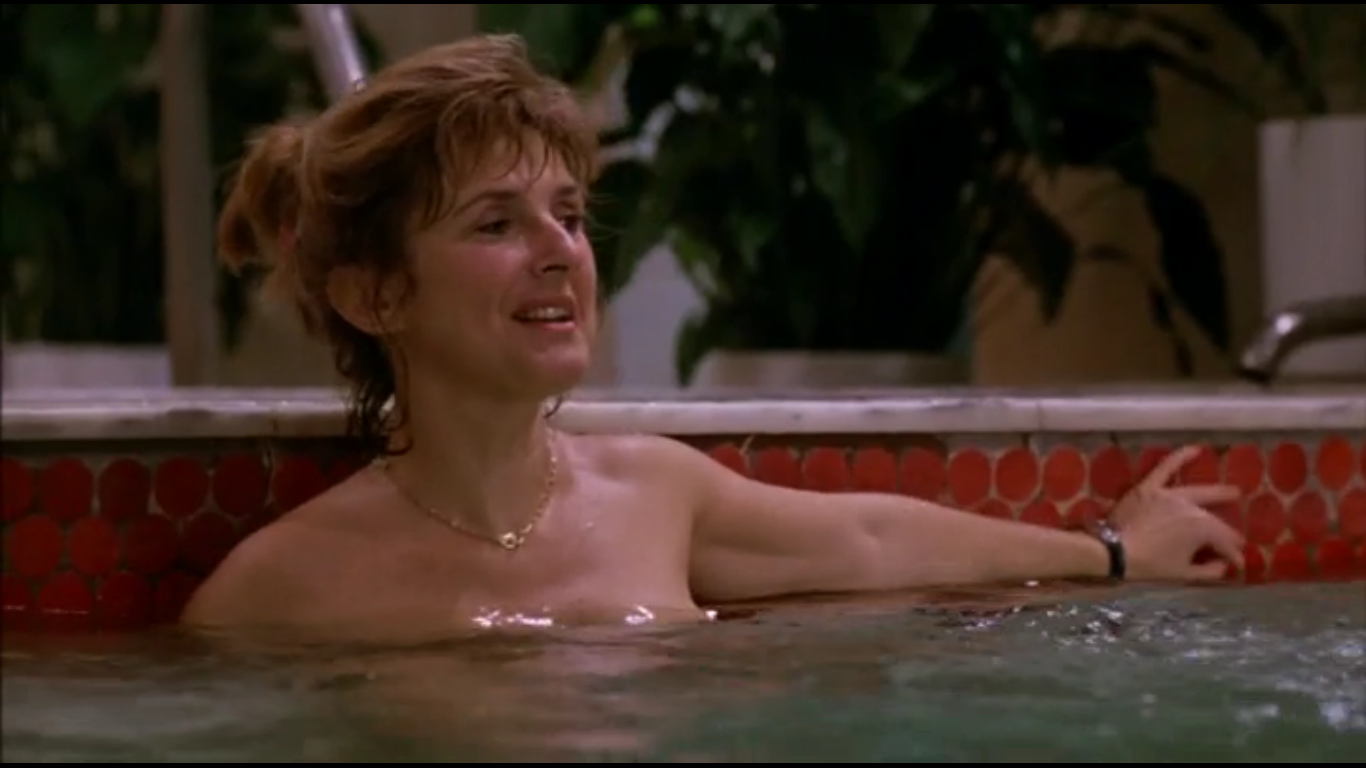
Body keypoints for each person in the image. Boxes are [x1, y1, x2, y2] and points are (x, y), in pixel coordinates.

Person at [180, 34, 1246, 640]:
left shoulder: (651, 494)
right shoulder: (280, 592)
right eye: (495, 224)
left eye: (568, 215)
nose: (560, 252)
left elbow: (874, 542)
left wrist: (1113, 555)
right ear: (374, 297)